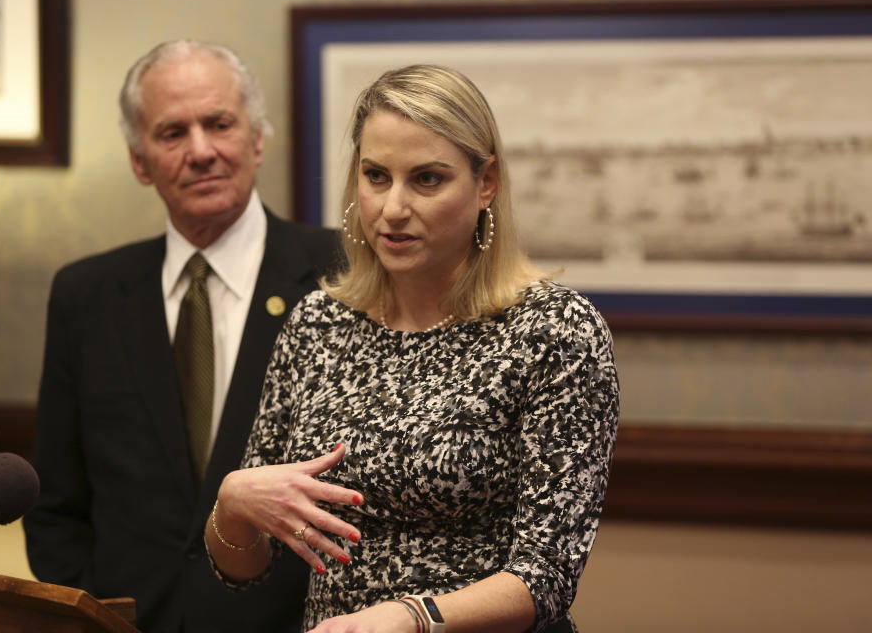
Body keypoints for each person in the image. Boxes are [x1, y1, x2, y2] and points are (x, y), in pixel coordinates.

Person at [206, 64, 619, 633]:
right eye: (376, 176)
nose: (393, 207)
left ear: (486, 183)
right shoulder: (318, 322)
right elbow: (246, 569)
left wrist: (415, 619)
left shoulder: (554, 331)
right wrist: (230, 506)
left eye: (426, 179)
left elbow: (545, 574)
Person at [23, 40, 340, 633]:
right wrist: (90, 613)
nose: (200, 151)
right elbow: (56, 505)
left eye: (219, 123)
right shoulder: (85, 294)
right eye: (172, 133)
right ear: (140, 160)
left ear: (257, 138)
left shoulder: (343, 275)